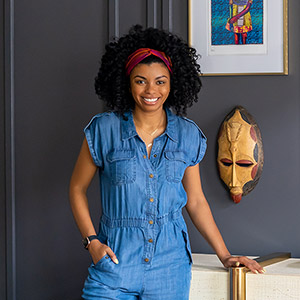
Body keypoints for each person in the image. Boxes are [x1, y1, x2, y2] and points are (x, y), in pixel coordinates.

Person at [69, 25, 264, 300]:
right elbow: (77, 188)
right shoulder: (104, 130)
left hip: (170, 269)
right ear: (127, 82)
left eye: (160, 81)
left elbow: (195, 201)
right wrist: (92, 243)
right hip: (114, 265)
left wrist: (224, 254)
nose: (151, 90)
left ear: (173, 84)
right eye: (141, 80)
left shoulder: (188, 135)